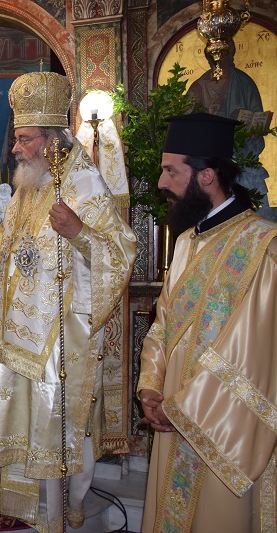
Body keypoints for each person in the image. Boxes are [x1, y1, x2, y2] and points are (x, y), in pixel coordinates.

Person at [0, 71, 136, 532]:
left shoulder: (84, 183)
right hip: (16, 327)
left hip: (57, 334)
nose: (15, 149)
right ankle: (14, 496)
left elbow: (121, 252)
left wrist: (79, 232)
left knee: (52, 416)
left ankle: (55, 510)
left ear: (52, 139)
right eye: (17, 139)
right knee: (16, 408)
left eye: (24, 140)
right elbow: (5, 235)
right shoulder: (29, 182)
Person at [137, 113, 277, 531]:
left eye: (170, 171)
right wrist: (151, 386)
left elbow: (252, 356)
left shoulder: (263, 247)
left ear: (207, 176)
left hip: (222, 428)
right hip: (171, 413)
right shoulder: (186, 242)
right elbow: (163, 322)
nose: (161, 183)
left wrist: (181, 409)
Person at [187, 41, 276, 221]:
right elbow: (187, 128)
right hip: (210, 165)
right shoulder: (198, 87)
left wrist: (249, 127)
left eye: (224, 54)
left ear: (231, 54)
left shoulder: (244, 83)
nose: (219, 60)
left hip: (242, 163)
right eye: (215, 55)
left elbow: (257, 119)